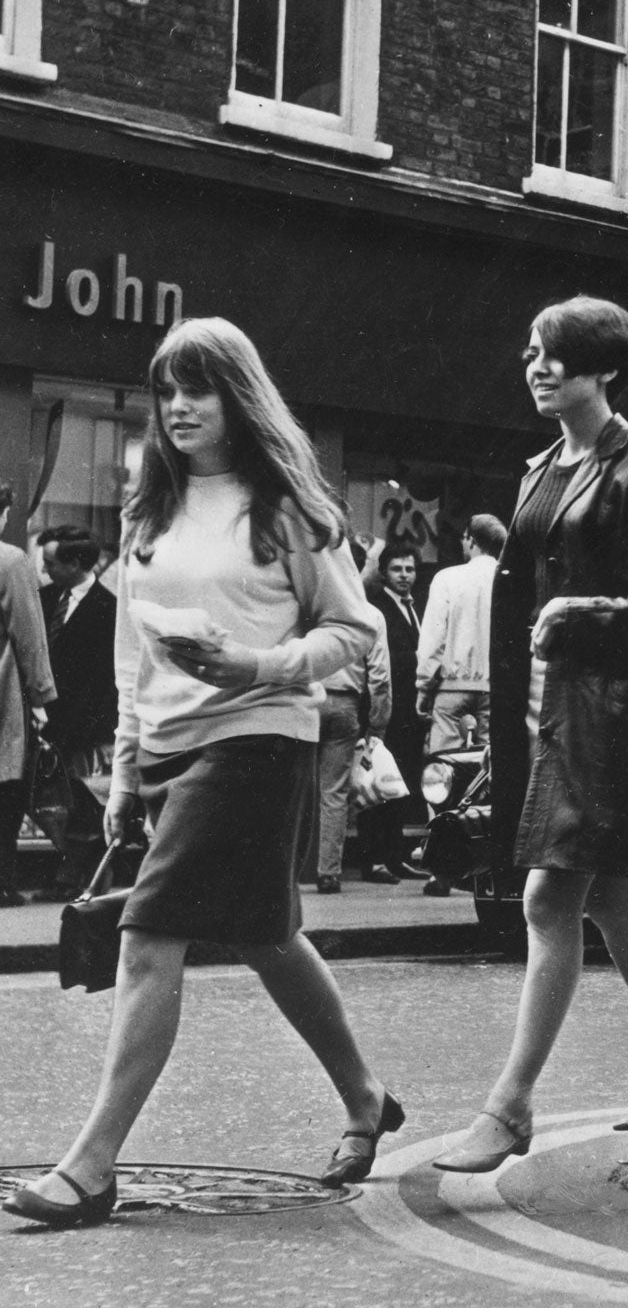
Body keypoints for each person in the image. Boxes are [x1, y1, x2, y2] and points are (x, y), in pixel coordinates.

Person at [2, 318, 397, 1229]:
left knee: (151, 935)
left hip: (259, 736)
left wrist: (261, 666)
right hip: (174, 746)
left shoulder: (286, 506)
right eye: (167, 390)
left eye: (199, 389)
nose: (178, 407)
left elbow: (354, 627)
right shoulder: (152, 506)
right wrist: (131, 766)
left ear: (238, 396)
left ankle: (91, 1167)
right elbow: (133, 655)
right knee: (266, 934)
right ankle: (367, 1096)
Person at [435, 297, 628, 1174]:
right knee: (607, 899)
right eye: (531, 353)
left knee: (549, 899)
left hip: (622, 718)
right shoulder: (541, 468)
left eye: (556, 355)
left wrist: (575, 615)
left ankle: (511, 1107)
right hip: (548, 713)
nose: (537, 367)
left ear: (605, 370)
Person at [35, 525, 116, 899]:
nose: (45, 568)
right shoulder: (44, 598)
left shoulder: (109, 608)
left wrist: (85, 728)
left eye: (51, 562)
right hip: (45, 721)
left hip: (85, 726)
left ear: (77, 562)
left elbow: (105, 677)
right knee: (52, 800)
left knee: (83, 802)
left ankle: (73, 879)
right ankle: (69, 874)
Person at [311, 540, 392, 895]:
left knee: (294, 788)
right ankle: (328, 871)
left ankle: (287, 869)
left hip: (304, 698)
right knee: (334, 792)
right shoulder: (370, 614)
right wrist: (378, 724)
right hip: (344, 704)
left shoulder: (311, 607)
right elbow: (380, 678)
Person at [418, 513, 504, 806]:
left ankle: (442, 832)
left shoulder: (447, 578)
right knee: (492, 766)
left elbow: (433, 638)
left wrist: (423, 685)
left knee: (443, 766)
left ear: (471, 540)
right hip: (495, 688)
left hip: (451, 688)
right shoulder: (507, 579)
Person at [0, 483, 56, 909]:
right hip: (3, 698)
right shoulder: (11, 560)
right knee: (6, 791)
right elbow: (29, 636)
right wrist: (40, 698)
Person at [360, 541, 426, 884]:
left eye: (410, 569)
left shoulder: (411, 606)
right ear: (384, 572)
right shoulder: (378, 606)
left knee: (401, 785)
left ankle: (396, 856)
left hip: (409, 711)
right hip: (387, 710)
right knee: (379, 785)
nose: (405, 575)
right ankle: (374, 860)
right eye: (398, 569)